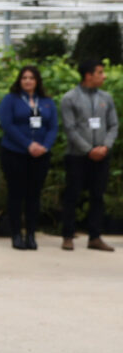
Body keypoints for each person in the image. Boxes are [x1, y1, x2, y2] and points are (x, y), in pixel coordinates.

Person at [59, 59, 117, 251]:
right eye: (100, 72)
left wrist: (105, 147)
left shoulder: (106, 98)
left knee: (98, 196)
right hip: (77, 156)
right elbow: (70, 128)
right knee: (72, 195)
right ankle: (68, 235)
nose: (103, 76)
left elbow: (113, 125)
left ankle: (95, 236)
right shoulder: (70, 98)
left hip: (101, 155)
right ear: (88, 75)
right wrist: (88, 150)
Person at [0, 65, 58, 250]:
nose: (28, 81)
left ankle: (31, 235)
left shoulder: (47, 101)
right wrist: (28, 144)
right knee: (16, 194)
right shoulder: (11, 100)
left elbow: (53, 127)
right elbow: (7, 125)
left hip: (40, 156)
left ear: (37, 81)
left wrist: (45, 146)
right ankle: (16, 235)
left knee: (34, 196)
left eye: (31, 78)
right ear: (20, 80)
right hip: (15, 153)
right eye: (24, 78)